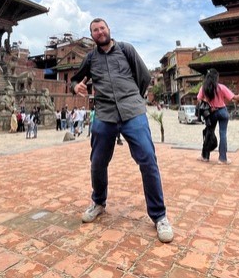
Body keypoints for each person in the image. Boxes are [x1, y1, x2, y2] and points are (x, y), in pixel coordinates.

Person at [70, 18, 173, 243]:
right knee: (97, 160)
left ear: (109, 29)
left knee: (147, 159)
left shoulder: (126, 49)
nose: (99, 32)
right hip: (105, 114)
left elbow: (143, 76)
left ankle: (160, 216)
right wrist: (75, 86)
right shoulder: (90, 58)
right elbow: (76, 79)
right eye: (95, 30)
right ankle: (98, 202)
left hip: (132, 111)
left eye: (102, 28)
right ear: (92, 35)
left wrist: (134, 97)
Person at [197, 68, 239, 164]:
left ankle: (205, 156)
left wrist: (209, 106)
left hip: (211, 113)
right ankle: (222, 159)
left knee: (209, 133)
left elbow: (199, 100)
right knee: (223, 134)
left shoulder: (204, 88)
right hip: (222, 111)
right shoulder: (221, 87)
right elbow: (234, 98)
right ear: (216, 78)